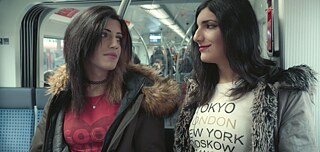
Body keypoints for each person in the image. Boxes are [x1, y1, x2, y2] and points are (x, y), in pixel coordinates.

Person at [30, 5, 180, 152]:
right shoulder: (62, 95)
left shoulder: (141, 95)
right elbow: (41, 146)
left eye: (118, 38)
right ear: (81, 40)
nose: (115, 45)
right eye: (104, 35)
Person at [174, 0, 318, 152]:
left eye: (209, 26)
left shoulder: (283, 92)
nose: (196, 36)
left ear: (236, 30)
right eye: (197, 27)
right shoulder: (199, 89)